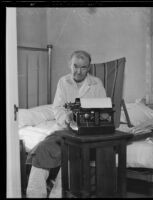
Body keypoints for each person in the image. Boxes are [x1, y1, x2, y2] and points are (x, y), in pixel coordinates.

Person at [26, 50, 107, 198]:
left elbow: (103, 110)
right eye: (75, 66)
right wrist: (67, 117)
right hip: (64, 129)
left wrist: (85, 118)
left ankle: (57, 195)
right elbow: (56, 108)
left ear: (89, 67)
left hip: (86, 133)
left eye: (83, 67)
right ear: (70, 65)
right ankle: (35, 194)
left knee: (73, 155)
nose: (78, 71)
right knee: (43, 148)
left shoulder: (96, 84)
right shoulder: (63, 82)